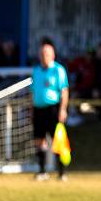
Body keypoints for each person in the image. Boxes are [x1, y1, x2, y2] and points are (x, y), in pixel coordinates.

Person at [30, 38, 70, 181]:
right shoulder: (36, 71)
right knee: (39, 141)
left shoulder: (58, 70)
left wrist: (63, 109)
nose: (44, 56)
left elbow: (64, 91)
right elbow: (33, 92)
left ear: (52, 55)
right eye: (42, 54)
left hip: (53, 109)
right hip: (38, 109)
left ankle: (62, 173)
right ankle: (42, 171)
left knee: (57, 141)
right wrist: (32, 110)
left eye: (46, 54)